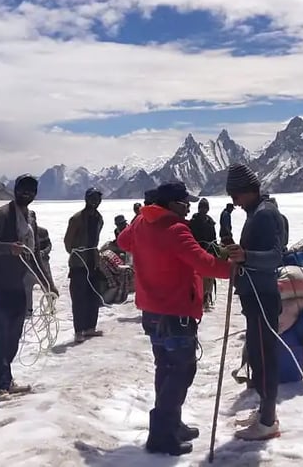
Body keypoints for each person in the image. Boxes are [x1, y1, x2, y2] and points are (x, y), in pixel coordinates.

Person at [116, 182, 232, 456]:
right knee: (182, 370)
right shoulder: (176, 229)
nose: (189, 206)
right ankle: (161, 433)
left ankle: (171, 424)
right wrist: (233, 269)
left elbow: (122, 241)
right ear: (170, 204)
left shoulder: (143, 223)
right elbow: (203, 263)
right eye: (183, 202)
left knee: (165, 368)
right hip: (176, 311)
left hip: (152, 311)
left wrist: (141, 216)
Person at [0, 174, 53, 401]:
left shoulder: (30, 217)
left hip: (16, 285)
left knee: (13, 337)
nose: (27, 194)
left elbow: (35, 253)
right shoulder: (2, 215)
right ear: (15, 190)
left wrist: (48, 284)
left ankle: (6, 380)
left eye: (32, 190)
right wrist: (9, 248)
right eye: (23, 189)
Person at [223, 163, 285, 441]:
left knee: (264, 358)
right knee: (259, 356)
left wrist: (245, 257)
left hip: (262, 296)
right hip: (257, 296)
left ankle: (268, 421)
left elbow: (275, 256)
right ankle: (264, 412)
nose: (234, 203)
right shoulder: (258, 211)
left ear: (248, 191)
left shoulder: (263, 215)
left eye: (236, 196)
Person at [64, 187, 105, 343]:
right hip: (79, 264)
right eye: (93, 198)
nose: (96, 202)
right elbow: (68, 242)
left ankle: (90, 327)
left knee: (93, 295)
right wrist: (76, 252)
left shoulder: (99, 218)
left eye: (98, 199)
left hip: (93, 262)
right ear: (87, 199)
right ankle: (79, 330)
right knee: (79, 297)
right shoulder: (77, 219)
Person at [188, 198, 219, 312]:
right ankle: (196, 298)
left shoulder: (210, 222)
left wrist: (216, 251)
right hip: (196, 254)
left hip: (208, 252)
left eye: (205, 207)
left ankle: (206, 298)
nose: (204, 210)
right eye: (202, 207)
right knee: (197, 277)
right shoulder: (193, 222)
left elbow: (214, 238)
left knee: (208, 278)